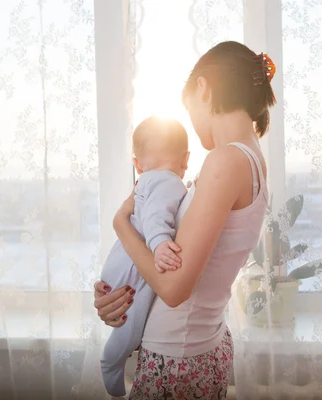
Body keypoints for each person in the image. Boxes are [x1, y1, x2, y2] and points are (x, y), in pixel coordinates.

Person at [94, 41, 276, 399]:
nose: (192, 123)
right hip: (197, 346)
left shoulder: (226, 161)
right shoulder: (250, 159)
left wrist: (119, 223)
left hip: (177, 358)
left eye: (189, 107)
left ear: (203, 88)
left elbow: (175, 289)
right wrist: (121, 288)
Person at [100, 116, 190, 398]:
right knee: (130, 330)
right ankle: (110, 363)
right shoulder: (171, 182)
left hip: (122, 257)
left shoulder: (143, 183)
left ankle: (114, 362)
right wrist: (161, 243)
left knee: (129, 325)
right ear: (185, 159)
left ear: (137, 163)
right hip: (135, 262)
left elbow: (142, 215)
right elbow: (155, 218)